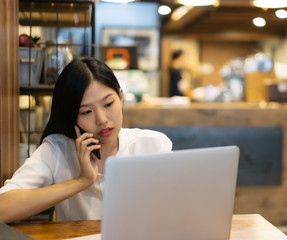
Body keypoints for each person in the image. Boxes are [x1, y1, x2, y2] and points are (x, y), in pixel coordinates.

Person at [0, 57, 172, 223]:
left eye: (108, 104)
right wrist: (81, 181)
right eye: (86, 112)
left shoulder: (152, 145)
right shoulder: (57, 150)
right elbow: (3, 209)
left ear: (121, 97)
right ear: (72, 117)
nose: (102, 119)